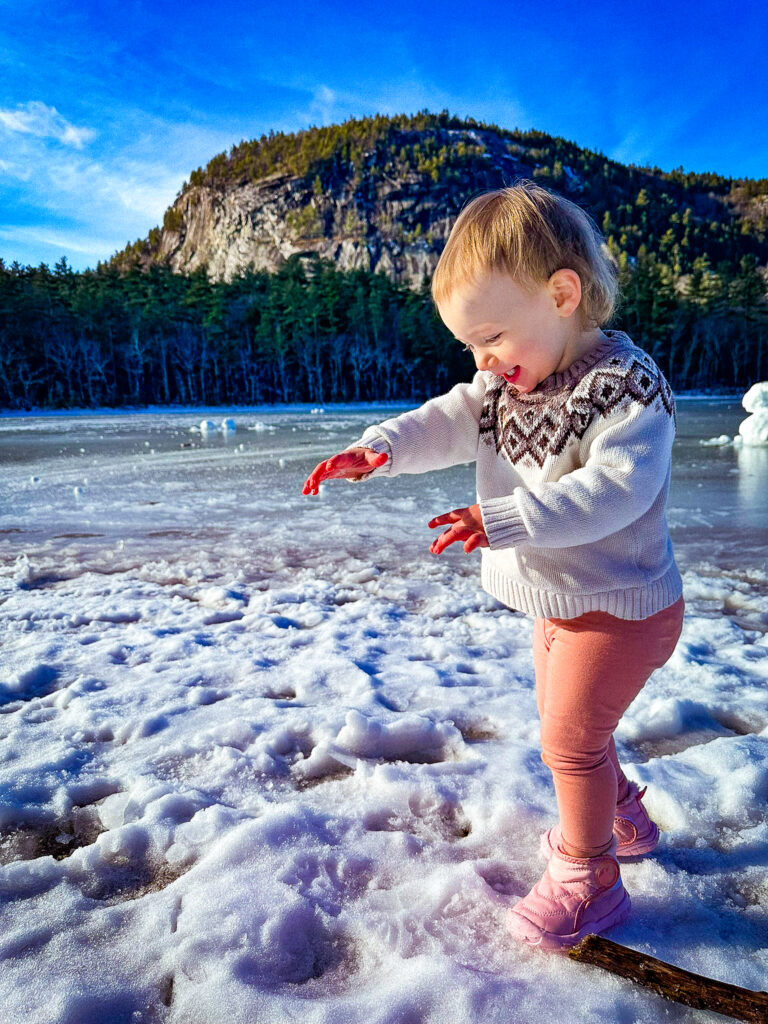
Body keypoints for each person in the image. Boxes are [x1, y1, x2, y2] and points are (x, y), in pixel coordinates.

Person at [301, 180, 685, 952]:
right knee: (571, 728)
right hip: (561, 601)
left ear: (563, 294)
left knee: (570, 741)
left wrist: (504, 518)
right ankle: (626, 816)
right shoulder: (503, 383)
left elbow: (614, 492)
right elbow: (446, 417)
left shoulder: (627, 389)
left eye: (492, 338)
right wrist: (382, 446)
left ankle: (591, 877)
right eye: (471, 347)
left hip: (623, 608)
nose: (483, 360)